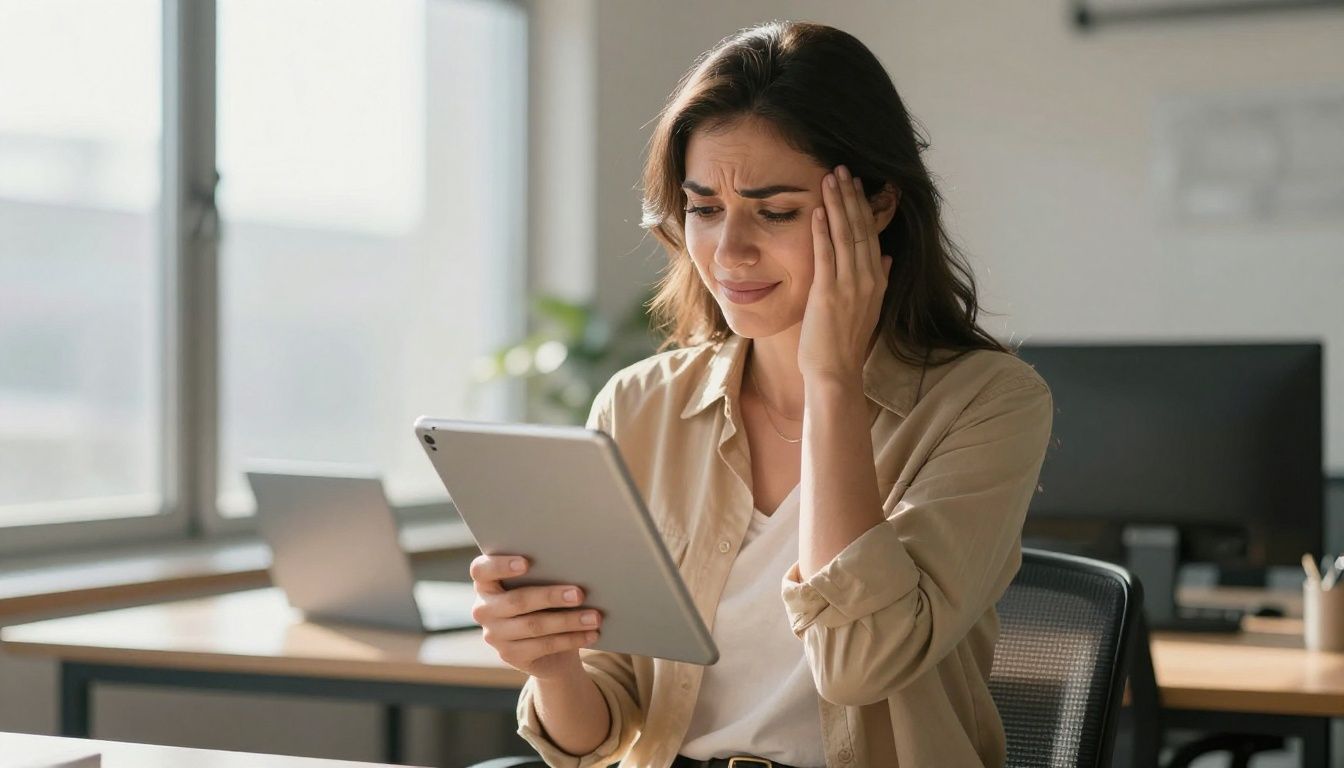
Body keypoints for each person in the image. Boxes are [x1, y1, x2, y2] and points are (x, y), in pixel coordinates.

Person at [468, 20, 1053, 768]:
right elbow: (598, 734)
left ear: (876, 206)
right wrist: (550, 664)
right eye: (705, 209)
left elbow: (858, 663)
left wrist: (833, 378)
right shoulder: (640, 406)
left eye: (775, 211)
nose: (730, 251)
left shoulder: (988, 403)